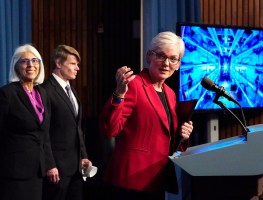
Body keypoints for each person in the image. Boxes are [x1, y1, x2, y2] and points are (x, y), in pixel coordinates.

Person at [100, 31, 194, 200]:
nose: (166, 63)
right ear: (149, 56)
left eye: (173, 59)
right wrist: (119, 94)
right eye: (161, 56)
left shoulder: (170, 94)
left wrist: (182, 135)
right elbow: (110, 129)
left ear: (179, 64)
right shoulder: (134, 84)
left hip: (157, 179)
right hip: (132, 180)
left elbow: (164, 137)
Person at [0, 44, 51, 200]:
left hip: (37, 170)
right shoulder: (7, 93)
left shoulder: (42, 92)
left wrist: (49, 163)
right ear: (16, 66)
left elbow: (44, 134)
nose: (31, 65)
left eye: (35, 60)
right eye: (25, 61)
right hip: (14, 171)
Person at [41, 45, 92, 200]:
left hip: (76, 168)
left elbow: (77, 129)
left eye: (77, 65)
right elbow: (44, 132)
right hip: (57, 170)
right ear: (58, 63)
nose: (77, 68)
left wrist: (83, 156)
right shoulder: (45, 91)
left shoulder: (72, 90)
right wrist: (50, 164)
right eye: (73, 64)